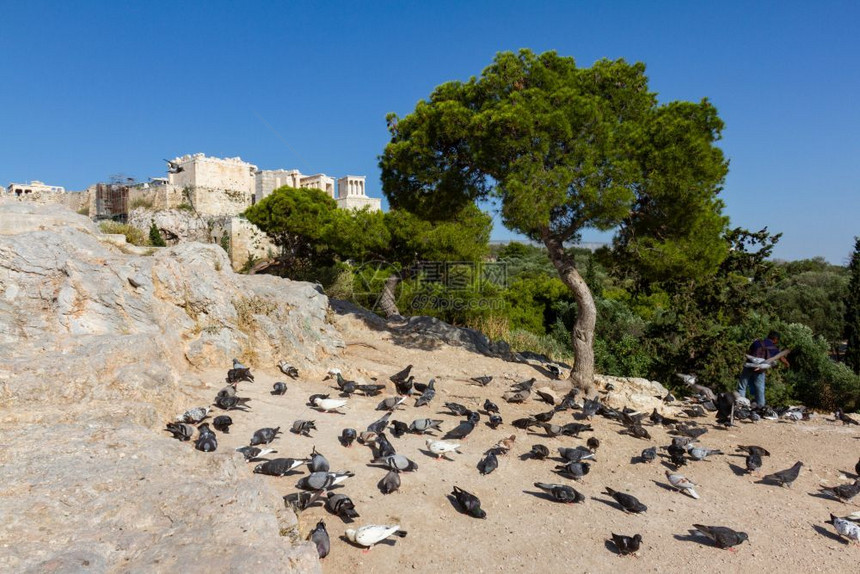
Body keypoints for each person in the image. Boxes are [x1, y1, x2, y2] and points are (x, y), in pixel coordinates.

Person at [737, 331, 789, 406]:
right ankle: (761, 407)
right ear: (775, 339)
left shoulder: (757, 342)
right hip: (760, 370)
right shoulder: (774, 348)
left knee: (742, 386)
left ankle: (740, 405)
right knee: (760, 389)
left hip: (749, 366)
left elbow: (749, 352)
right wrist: (786, 364)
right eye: (777, 340)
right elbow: (781, 358)